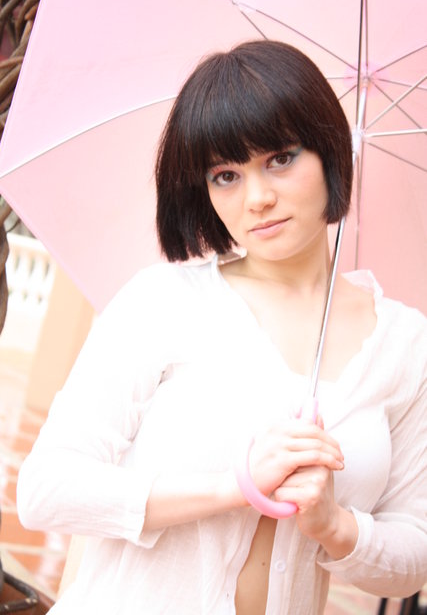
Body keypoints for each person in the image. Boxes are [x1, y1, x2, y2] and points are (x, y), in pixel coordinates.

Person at [17, 40, 427, 614]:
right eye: (226, 175)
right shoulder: (163, 302)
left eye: (280, 159)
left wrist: (335, 525)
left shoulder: (405, 344)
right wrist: (236, 486)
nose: (257, 198)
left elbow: (413, 556)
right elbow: (46, 490)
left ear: (330, 152)